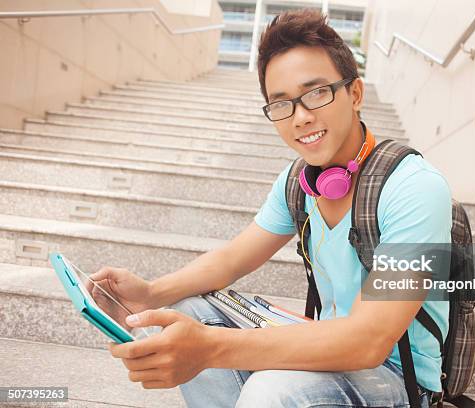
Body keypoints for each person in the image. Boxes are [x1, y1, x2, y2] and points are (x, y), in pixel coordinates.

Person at [90, 9, 452, 407]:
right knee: (190, 311)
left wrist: (210, 348)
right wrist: (151, 293)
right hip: (328, 347)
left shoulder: (415, 188)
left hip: (398, 374)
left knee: (272, 389)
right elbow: (231, 260)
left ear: (355, 94)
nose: (301, 116)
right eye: (281, 104)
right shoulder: (298, 182)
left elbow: (367, 340)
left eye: (317, 92)